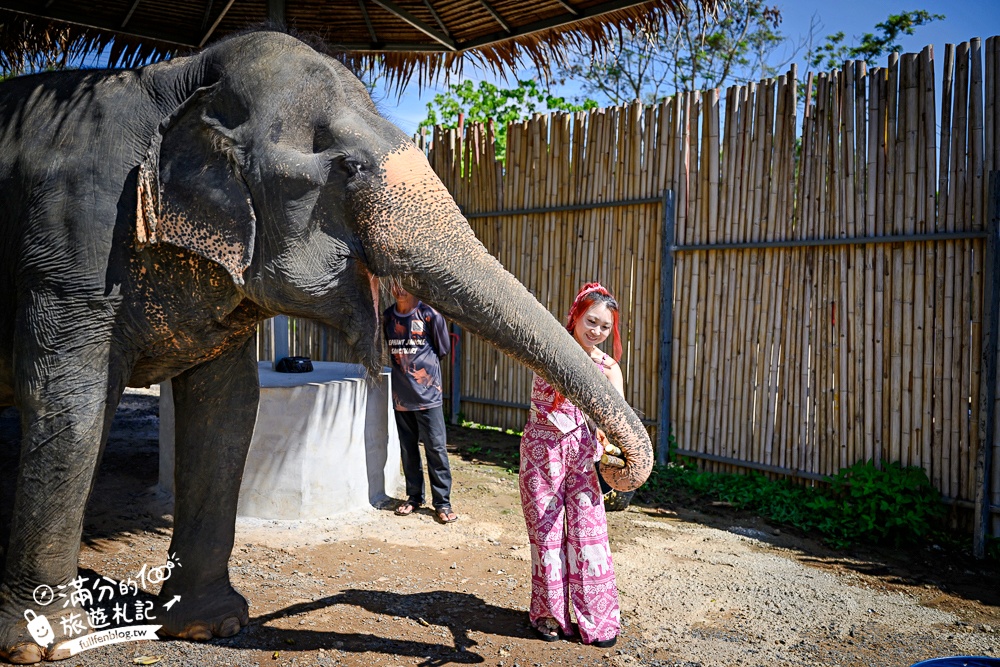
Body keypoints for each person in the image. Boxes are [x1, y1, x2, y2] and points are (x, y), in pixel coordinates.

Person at [518, 282, 625, 648]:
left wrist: (610, 443)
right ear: (575, 315)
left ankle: (598, 621)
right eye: (591, 321)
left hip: (583, 456)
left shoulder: (609, 368)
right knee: (546, 535)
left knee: (589, 536)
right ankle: (549, 616)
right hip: (541, 452)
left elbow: (616, 417)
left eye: (605, 327)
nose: (596, 331)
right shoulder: (548, 349)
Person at [383, 284, 458, 524]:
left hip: (428, 397)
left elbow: (442, 349)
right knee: (408, 449)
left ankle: (442, 503)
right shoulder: (388, 316)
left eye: (404, 283)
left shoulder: (429, 315)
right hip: (401, 397)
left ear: (414, 284)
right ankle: (414, 497)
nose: (399, 288)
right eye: (394, 283)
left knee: (436, 449)